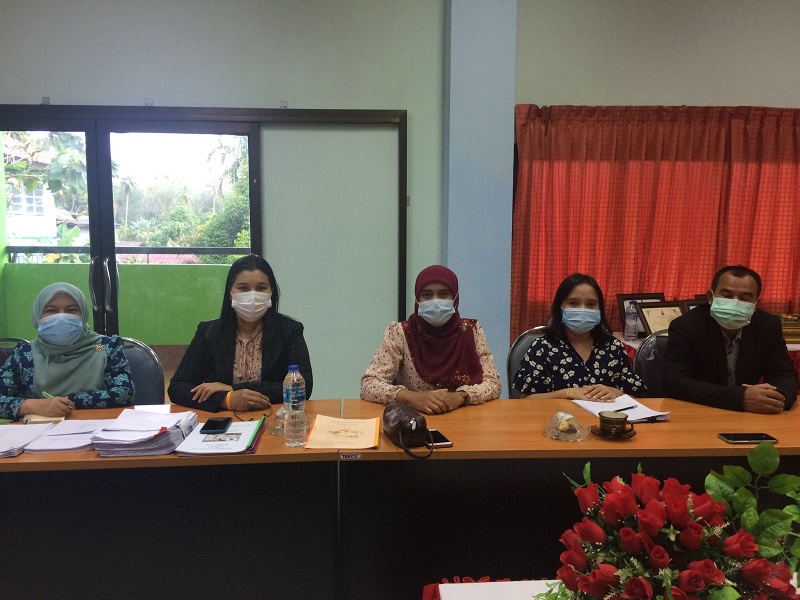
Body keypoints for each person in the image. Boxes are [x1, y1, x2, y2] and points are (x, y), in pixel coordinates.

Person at [168, 254, 312, 412]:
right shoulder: (208, 332)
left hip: (272, 417)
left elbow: (303, 385)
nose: (252, 296)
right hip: (223, 419)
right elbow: (177, 387)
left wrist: (233, 389)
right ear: (230, 292)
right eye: (243, 288)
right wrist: (226, 399)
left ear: (271, 291)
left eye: (261, 288)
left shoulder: (289, 331)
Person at [360, 265, 501, 414]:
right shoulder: (400, 333)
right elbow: (369, 384)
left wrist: (460, 397)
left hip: (465, 418)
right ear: (417, 299)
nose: (435, 301)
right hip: (416, 418)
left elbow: (493, 384)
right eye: (427, 295)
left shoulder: (472, 331)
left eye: (443, 294)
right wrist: (412, 398)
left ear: (455, 298)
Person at [662, 265, 798, 413]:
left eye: (745, 298)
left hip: (751, 416)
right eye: (726, 296)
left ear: (756, 304)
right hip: (699, 412)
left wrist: (776, 399)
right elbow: (674, 382)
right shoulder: (686, 326)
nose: (735, 302)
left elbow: (785, 376)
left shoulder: (768, 326)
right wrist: (740, 398)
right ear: (710, 297)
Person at [0, 282, 134, 420]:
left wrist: (68, 401)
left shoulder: (107, 347)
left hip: (99, 426)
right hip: (41, 430)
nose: (62, 317)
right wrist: (32, 405)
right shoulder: (24, 355)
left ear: (83, 314)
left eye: (71, 310)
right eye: (51, 311)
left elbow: (124, 392)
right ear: (38, 315)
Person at [513, 273, 644, 400]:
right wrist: (567, 393)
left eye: (591, 304)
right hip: (557, 415)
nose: (583, 310)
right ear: (560, 308)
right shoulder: (542, 348)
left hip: (604, 415)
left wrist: (615, 392)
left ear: (600, 309)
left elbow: (636, 396)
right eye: (574, 303)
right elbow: (525, 399)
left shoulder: (613, 347)